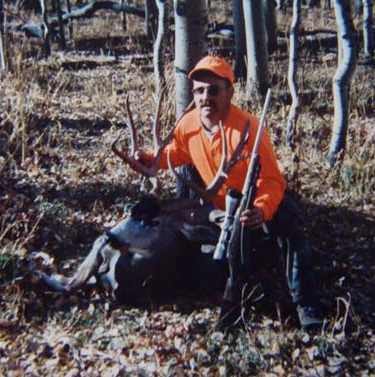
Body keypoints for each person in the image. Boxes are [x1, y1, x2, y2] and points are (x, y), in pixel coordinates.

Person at [136, 56, 323, 330]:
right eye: (199, 91)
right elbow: (176, 153)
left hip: (251, 207)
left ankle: (306, 302)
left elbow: (272, 181)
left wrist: (262, 209)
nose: (205, 97)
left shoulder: (249, 129)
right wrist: (150, 160)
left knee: (288, 219)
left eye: (214, 90)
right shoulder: (188, 124)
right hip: (217, 212)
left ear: (230, 93)